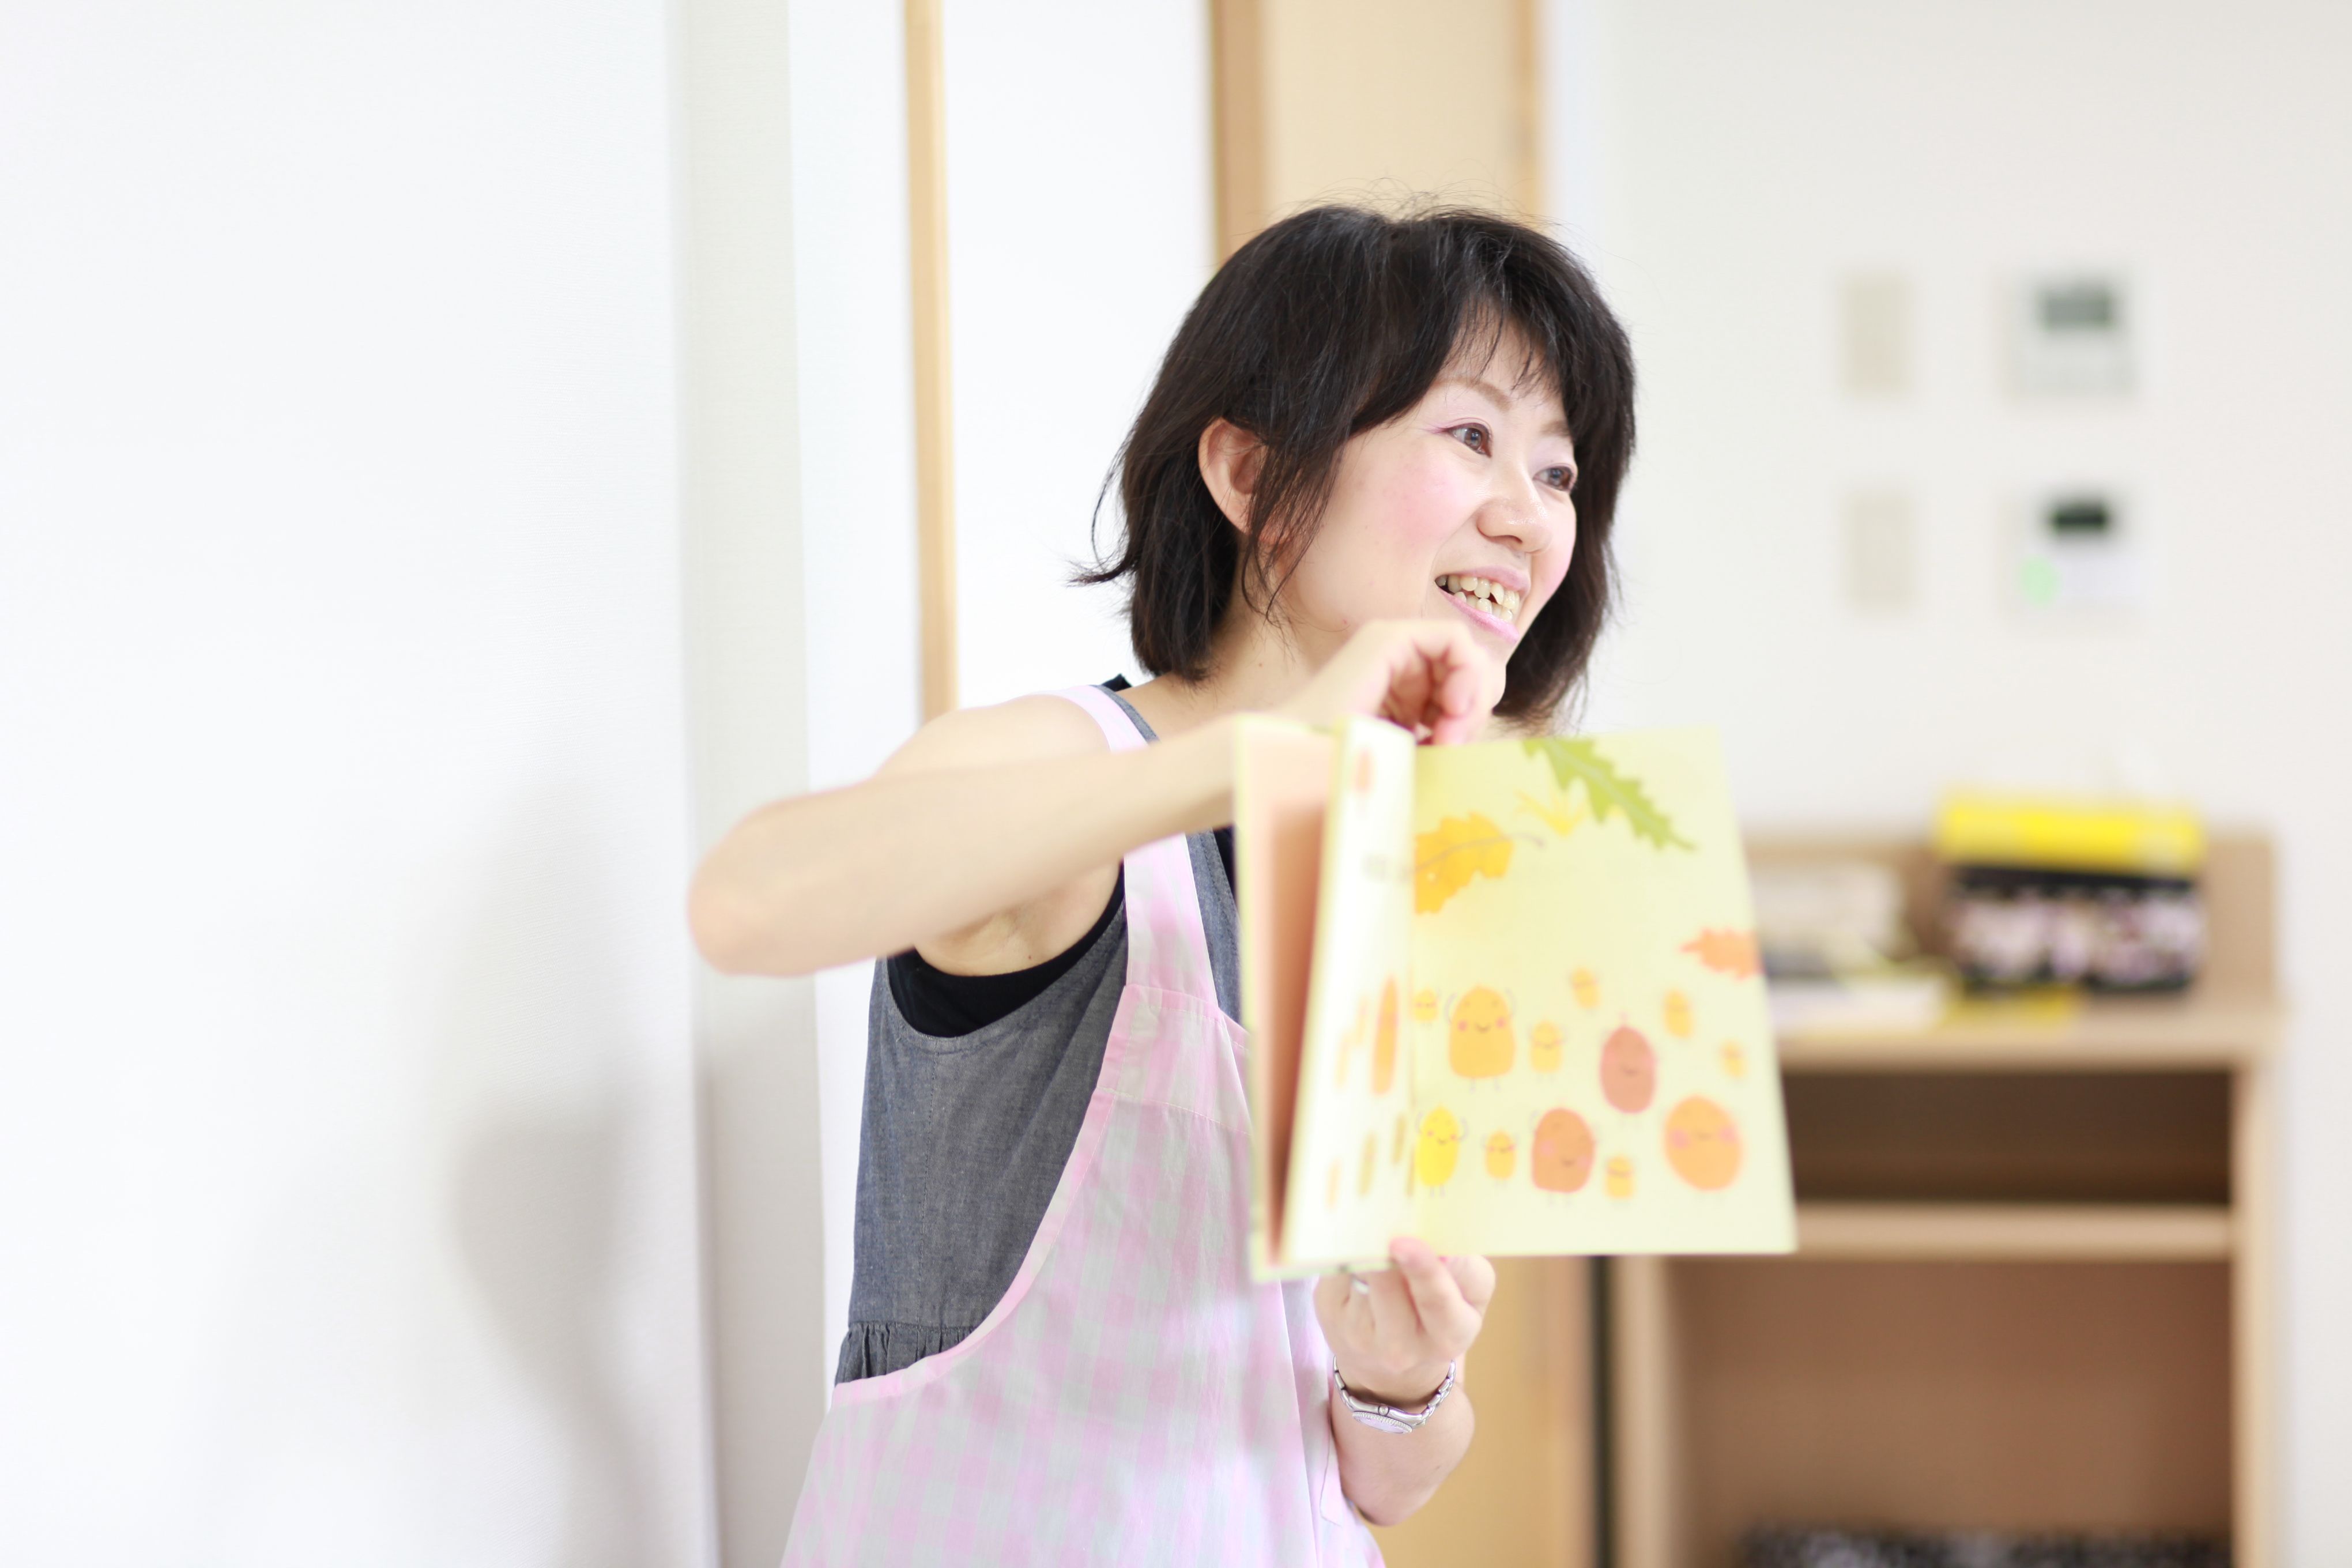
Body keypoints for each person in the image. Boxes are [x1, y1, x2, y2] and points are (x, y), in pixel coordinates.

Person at [689, 202, 1635, 1565]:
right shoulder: (1075, 763)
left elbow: (1382, 1476)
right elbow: (749, 902)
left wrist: (1403, 1377)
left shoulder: (1410, 866)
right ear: (1252, 472)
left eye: (1559, 471)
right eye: (1471, 437)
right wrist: (1255, 755)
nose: (1529, 518)